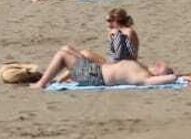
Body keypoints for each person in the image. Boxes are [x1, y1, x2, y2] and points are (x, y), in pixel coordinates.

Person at [29, 52, 182, 90]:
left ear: (160, 75)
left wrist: (173, 77)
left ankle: (41, 84)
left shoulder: (143, 76)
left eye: (162, 67)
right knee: (68, 49)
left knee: (63, 54)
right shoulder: (142, 68)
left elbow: (171, 79)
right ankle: (53, 79)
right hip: (96, 71)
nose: (159, 63)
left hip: (94, 77)